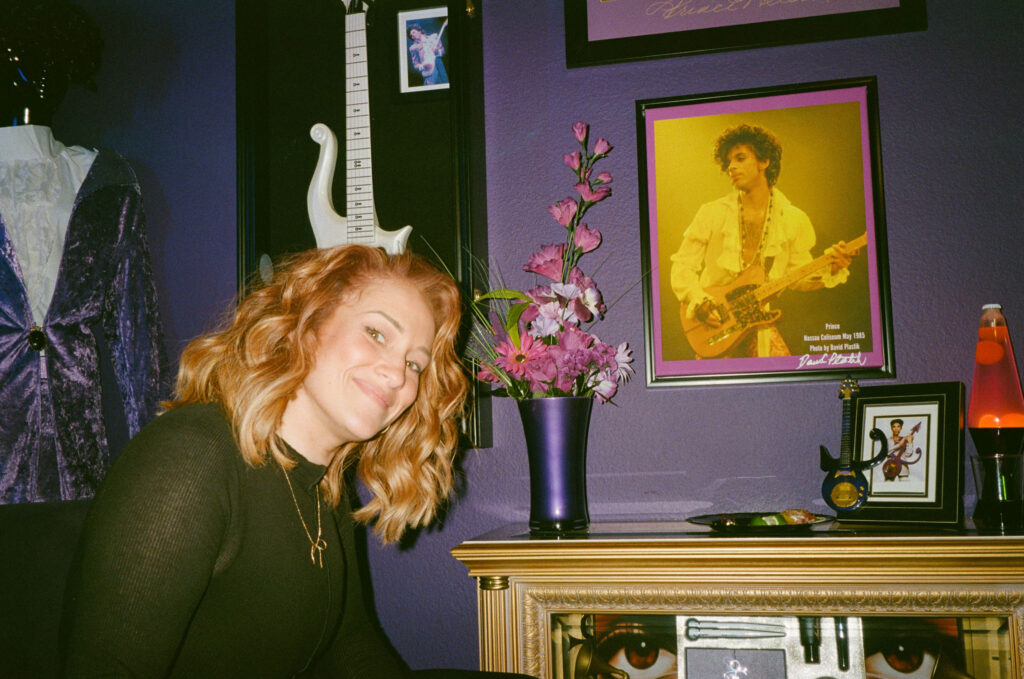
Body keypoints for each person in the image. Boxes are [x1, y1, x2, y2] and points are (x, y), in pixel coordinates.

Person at [61, 244, 529, 678]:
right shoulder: (191, 456)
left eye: (415, 364)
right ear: (306, 324)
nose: (396, 374)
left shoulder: (323, 486)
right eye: (375, 332)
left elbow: (350, 646)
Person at [0, 0, 166, 503]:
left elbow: (137, 343)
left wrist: (153, 470)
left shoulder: (105, 182)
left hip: (76, 467)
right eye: (27, 52)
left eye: (54, 54)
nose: (45, 69)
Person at [669, 124, 860, 358]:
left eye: (740, 158)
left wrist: (832, 266)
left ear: (764, 161)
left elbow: (798, 277)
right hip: (715, 325)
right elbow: (683, 266)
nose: (731, 167)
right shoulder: (711, 213)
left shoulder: (793, 219)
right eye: (729, 161)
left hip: (757, 324)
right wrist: (698, 301)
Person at [408, 20, 448, 86]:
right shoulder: (413, 48)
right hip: (429, 74)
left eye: (413, 32)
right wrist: (423, 66)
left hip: (440, 69)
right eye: (411, 36)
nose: (412, 36)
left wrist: (437, 52)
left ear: (419, 31)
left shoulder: (434, 37)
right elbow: (415, 65)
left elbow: (443, 52)